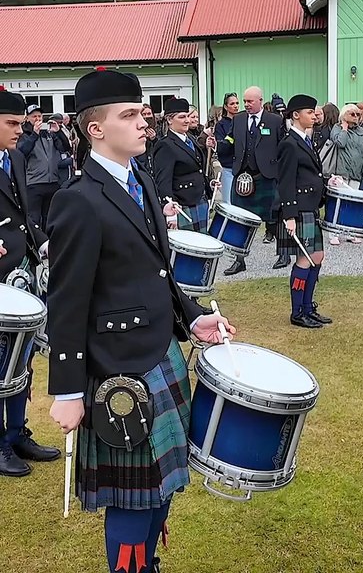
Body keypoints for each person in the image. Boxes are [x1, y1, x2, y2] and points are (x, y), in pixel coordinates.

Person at [47, 68, 236, 573]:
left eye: (142, 114)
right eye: (128, 116)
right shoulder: (78, 201)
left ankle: (147, 563)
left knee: (160, 491)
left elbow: (158, 271)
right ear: (95, 129)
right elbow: (66, 302)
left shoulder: (143, 182)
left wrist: (190, 318)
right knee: (133, 500)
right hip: (118, 369)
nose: (142, 124)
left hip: (160, 353)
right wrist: (66, 391)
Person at [0, 85, 61, 477]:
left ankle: (16, 434)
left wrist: (45, 245)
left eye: (21, 123)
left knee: (21, 358)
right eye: (10, 123)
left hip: (20, 274)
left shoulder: (15, 158)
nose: (19, 130)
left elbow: (24, 215)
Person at [212, 86, 286, 275]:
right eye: (244, 101)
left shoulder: (275, 121)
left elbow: (283, 148)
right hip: (243, 177)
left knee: (275, 217)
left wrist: (280, 172)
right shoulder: (238, 120)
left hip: (267, 176)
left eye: (250, 101)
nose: (246, 105)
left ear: (260, 101)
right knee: (240, 220)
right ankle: (239, 260)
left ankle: (283, 254)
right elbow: (229, 141)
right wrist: (217, 145)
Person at [277, 94, 331, 329]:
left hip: (310, 207)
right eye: (310, 112)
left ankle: (308, 307)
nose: (314, 115)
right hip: (298, 210)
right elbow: (285, 181)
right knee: (304, 260)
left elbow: (312, 174)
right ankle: (297, 312)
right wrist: (289, 216)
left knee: (316, 257)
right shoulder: (289, 143)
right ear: (296, 115)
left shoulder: (307, 139)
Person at [153, 98, 215, 233]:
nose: (187, 120)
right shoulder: (165, 145)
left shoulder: (191, 139)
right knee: (189, 251)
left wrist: (209, 183)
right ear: (169, 120)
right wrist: (170, 214)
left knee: (202, 248)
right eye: (182, 117)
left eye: (188, 116)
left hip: (200, 200)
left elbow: (196, 170)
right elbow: (163, 181)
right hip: (182, 206)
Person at [17, 104, 72, 230]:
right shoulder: (23, 134)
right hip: (34, 183)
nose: (38, 119)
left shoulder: (49, 133)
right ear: (27, 118)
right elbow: (22, 152)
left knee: (50, 218)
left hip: (52, 181)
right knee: (34, 218)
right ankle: (35, 246)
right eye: (34, 116)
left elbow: (65, 148)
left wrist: (58, 132)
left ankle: (50, 244)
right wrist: (34, 134)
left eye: (40, 116)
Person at [329, 104, 363, 245]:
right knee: (338, 203)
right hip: (341, 172)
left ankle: (351, 232)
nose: (356, 117)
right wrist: (344, 128)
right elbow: (340, 142)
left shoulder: (362, 132)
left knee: (352, 204)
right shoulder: (337, 128)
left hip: (356, 174)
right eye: (352, 114)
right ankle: (334, 233)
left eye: (358, 114)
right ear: (344, 114)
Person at [215, 93, 239, 204]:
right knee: (228, 202)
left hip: (242, 169)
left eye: (237, 103)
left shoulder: (242, 121)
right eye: (232, 103)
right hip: (228, 168)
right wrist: (232, 138)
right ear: (226, 106)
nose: (236, 106)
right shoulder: (221, 125)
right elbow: (221, 147)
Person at [137, 104, 158, 177]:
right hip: (143, 167)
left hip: (156, 168)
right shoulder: (136, 129)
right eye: (144, 114)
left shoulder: (159, 128)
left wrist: (154, 139)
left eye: (149, 113)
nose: (146, 116)